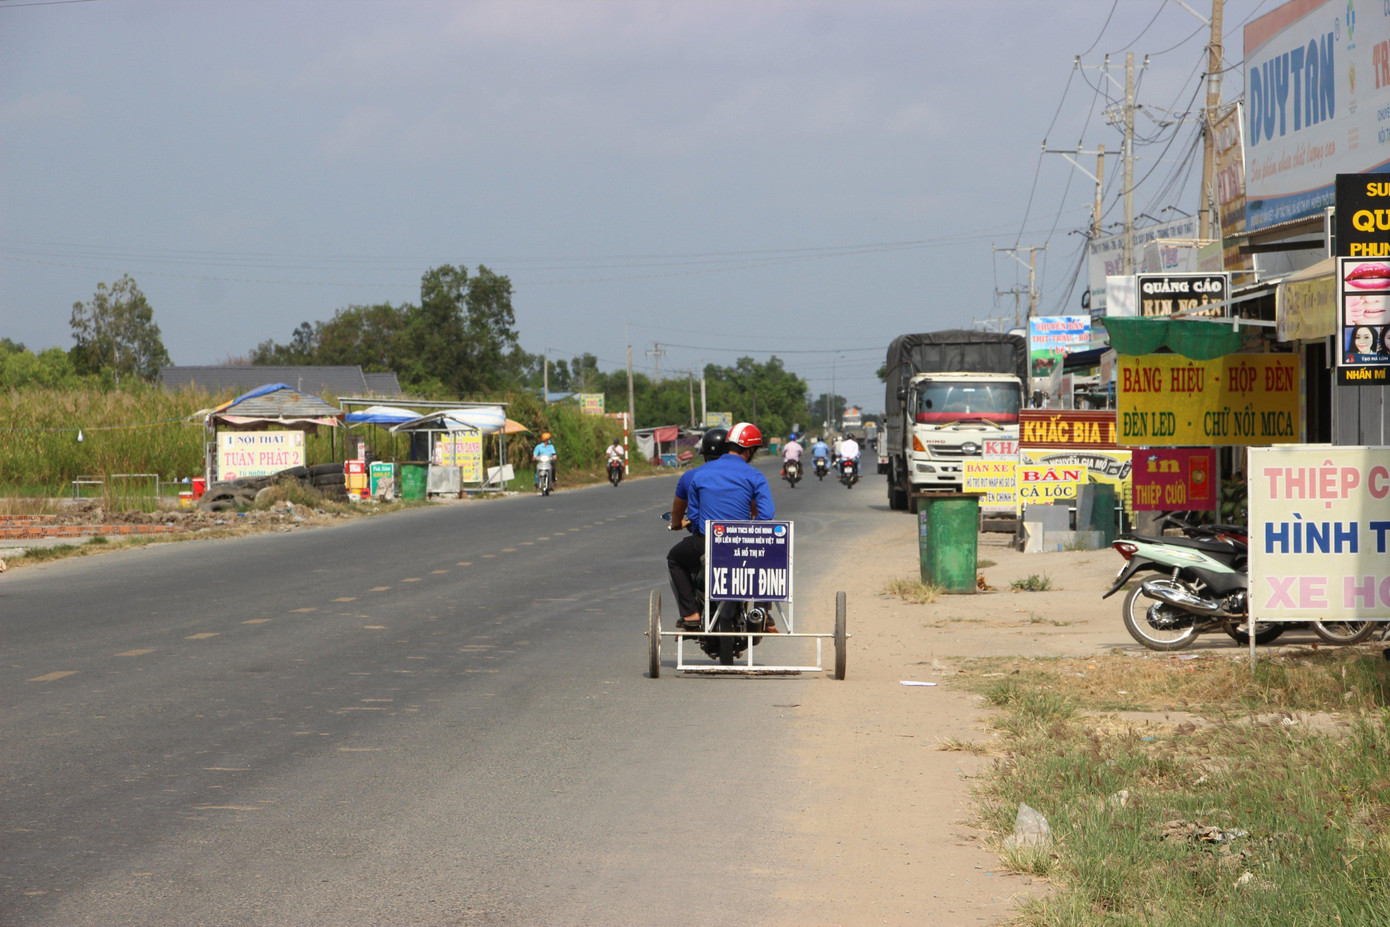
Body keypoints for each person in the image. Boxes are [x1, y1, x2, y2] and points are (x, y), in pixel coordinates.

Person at [667, 422, 775, 631]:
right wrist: (752, 535)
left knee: (675, 558)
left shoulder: (698, 474)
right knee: (768, 559)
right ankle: (761, 611)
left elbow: (695, 515)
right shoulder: (754, 476)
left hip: (709, 543)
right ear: (751, 450)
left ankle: (691, 614)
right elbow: (766, 515)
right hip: (744, 543)